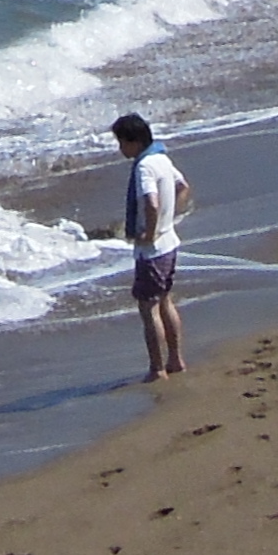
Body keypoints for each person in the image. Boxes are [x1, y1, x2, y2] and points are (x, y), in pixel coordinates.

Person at [110, 112, 193, 379]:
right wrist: (171, 219)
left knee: (148, 308)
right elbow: (183, 187)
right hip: (169, 243)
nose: (121, 149)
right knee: (165, 300)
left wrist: (150, 231)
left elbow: (151, 201)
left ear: (133, 142)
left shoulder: (145, 167)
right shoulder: (162, 158)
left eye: (121, 143)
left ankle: (157, 368)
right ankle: (176, 360)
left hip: (154, 249)